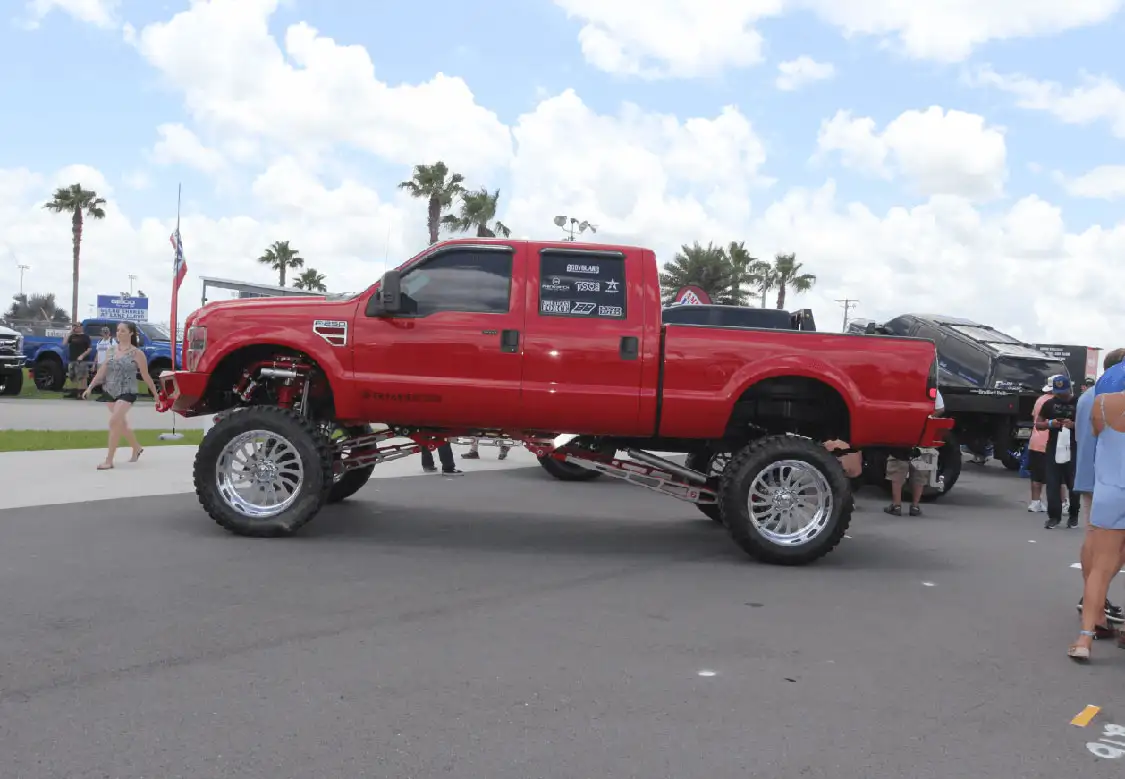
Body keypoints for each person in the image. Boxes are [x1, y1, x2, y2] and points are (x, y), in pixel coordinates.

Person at [1069, 386, 1125, 661]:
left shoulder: (1102, 403)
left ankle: (1084, 639)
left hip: (1110, 492)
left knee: (1099, 570)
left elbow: (1094, 435)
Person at [82, 321, 161, 470]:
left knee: (113, 422)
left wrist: (156, 394)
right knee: (121, 424)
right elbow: (102, 371)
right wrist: (90, 387)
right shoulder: (111, 350)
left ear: (131, 333)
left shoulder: (137, 353)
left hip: (128, 391)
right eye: (118, 330)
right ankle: (137, 448)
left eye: (123, 331)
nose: (119, 333)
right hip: (110, 390)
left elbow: (146, 375)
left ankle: (109, 460)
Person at [1035, 375, 1079, 529]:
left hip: (1073, 446)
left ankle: (1073, 515)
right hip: (1054, 446)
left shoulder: (1078, 402)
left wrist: (1073, 425)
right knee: (1052, 483)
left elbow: (1089, 424)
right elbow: (1038, 424)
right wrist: (1050, 423)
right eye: (1058, 391)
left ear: (1069, 389)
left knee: (1073, 483)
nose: (1060, 395)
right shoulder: (1049, 404)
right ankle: (1054, 516)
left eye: (1063, 391)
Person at [1026, 387, 1054, 513]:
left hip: (1035, 441)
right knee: (1058, 477)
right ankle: (1064, 503)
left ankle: (1035, 502)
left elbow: (1034, 417)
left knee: (1036, 476)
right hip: (1050, 442)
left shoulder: (1040, 400)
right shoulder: (1056, 402)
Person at [62, 323, 92, 399]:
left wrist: (82, 356)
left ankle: (82, 394)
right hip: (72, 359)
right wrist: (70, 332)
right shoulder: (72, 336)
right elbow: (64, 343)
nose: (75, 328)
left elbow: (89, 349)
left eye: (77, 326)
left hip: (82, 360)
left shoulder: (86, 337)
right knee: (73, 377)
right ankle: (74, 392)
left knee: (82, 377)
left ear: (81, 327)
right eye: (74, 327)